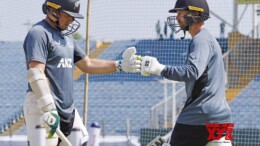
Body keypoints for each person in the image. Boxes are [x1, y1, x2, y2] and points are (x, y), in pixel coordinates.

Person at [23, 0, 141, 146]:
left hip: (67, 110)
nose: (71, 20)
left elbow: (88, 64)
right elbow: (36, 73)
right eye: (68, 15)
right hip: (42, 107)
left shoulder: (66, 37)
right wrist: (47, 107)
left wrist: (120, 65)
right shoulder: (39, 33)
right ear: (53, 10)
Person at [140, 0, 232, 145]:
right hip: (221, 119)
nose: (177, 18)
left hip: (197, 116)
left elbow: (192, 71)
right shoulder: (210, 40)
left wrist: (159, 68)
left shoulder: (200, 40)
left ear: (195, 14)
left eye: (181, 13)